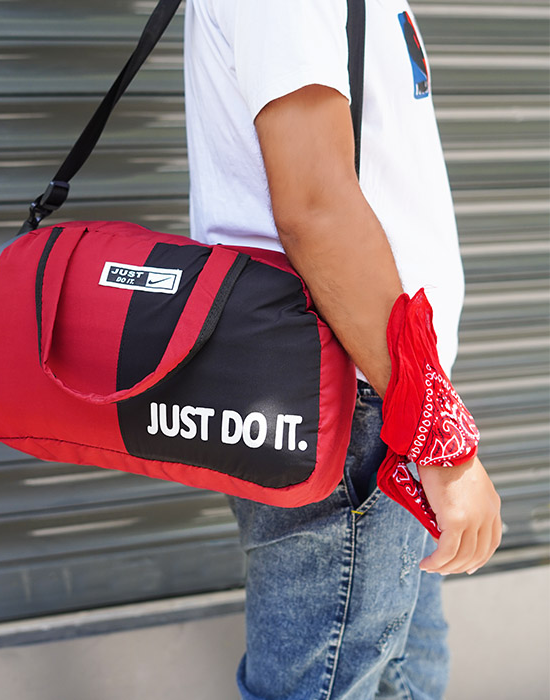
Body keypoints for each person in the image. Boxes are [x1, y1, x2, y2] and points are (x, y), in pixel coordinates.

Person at [183, 1, 503, 698]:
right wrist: (438, 442)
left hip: (385, 391)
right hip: (352, 401)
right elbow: (316, 206)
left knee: (407, 678)